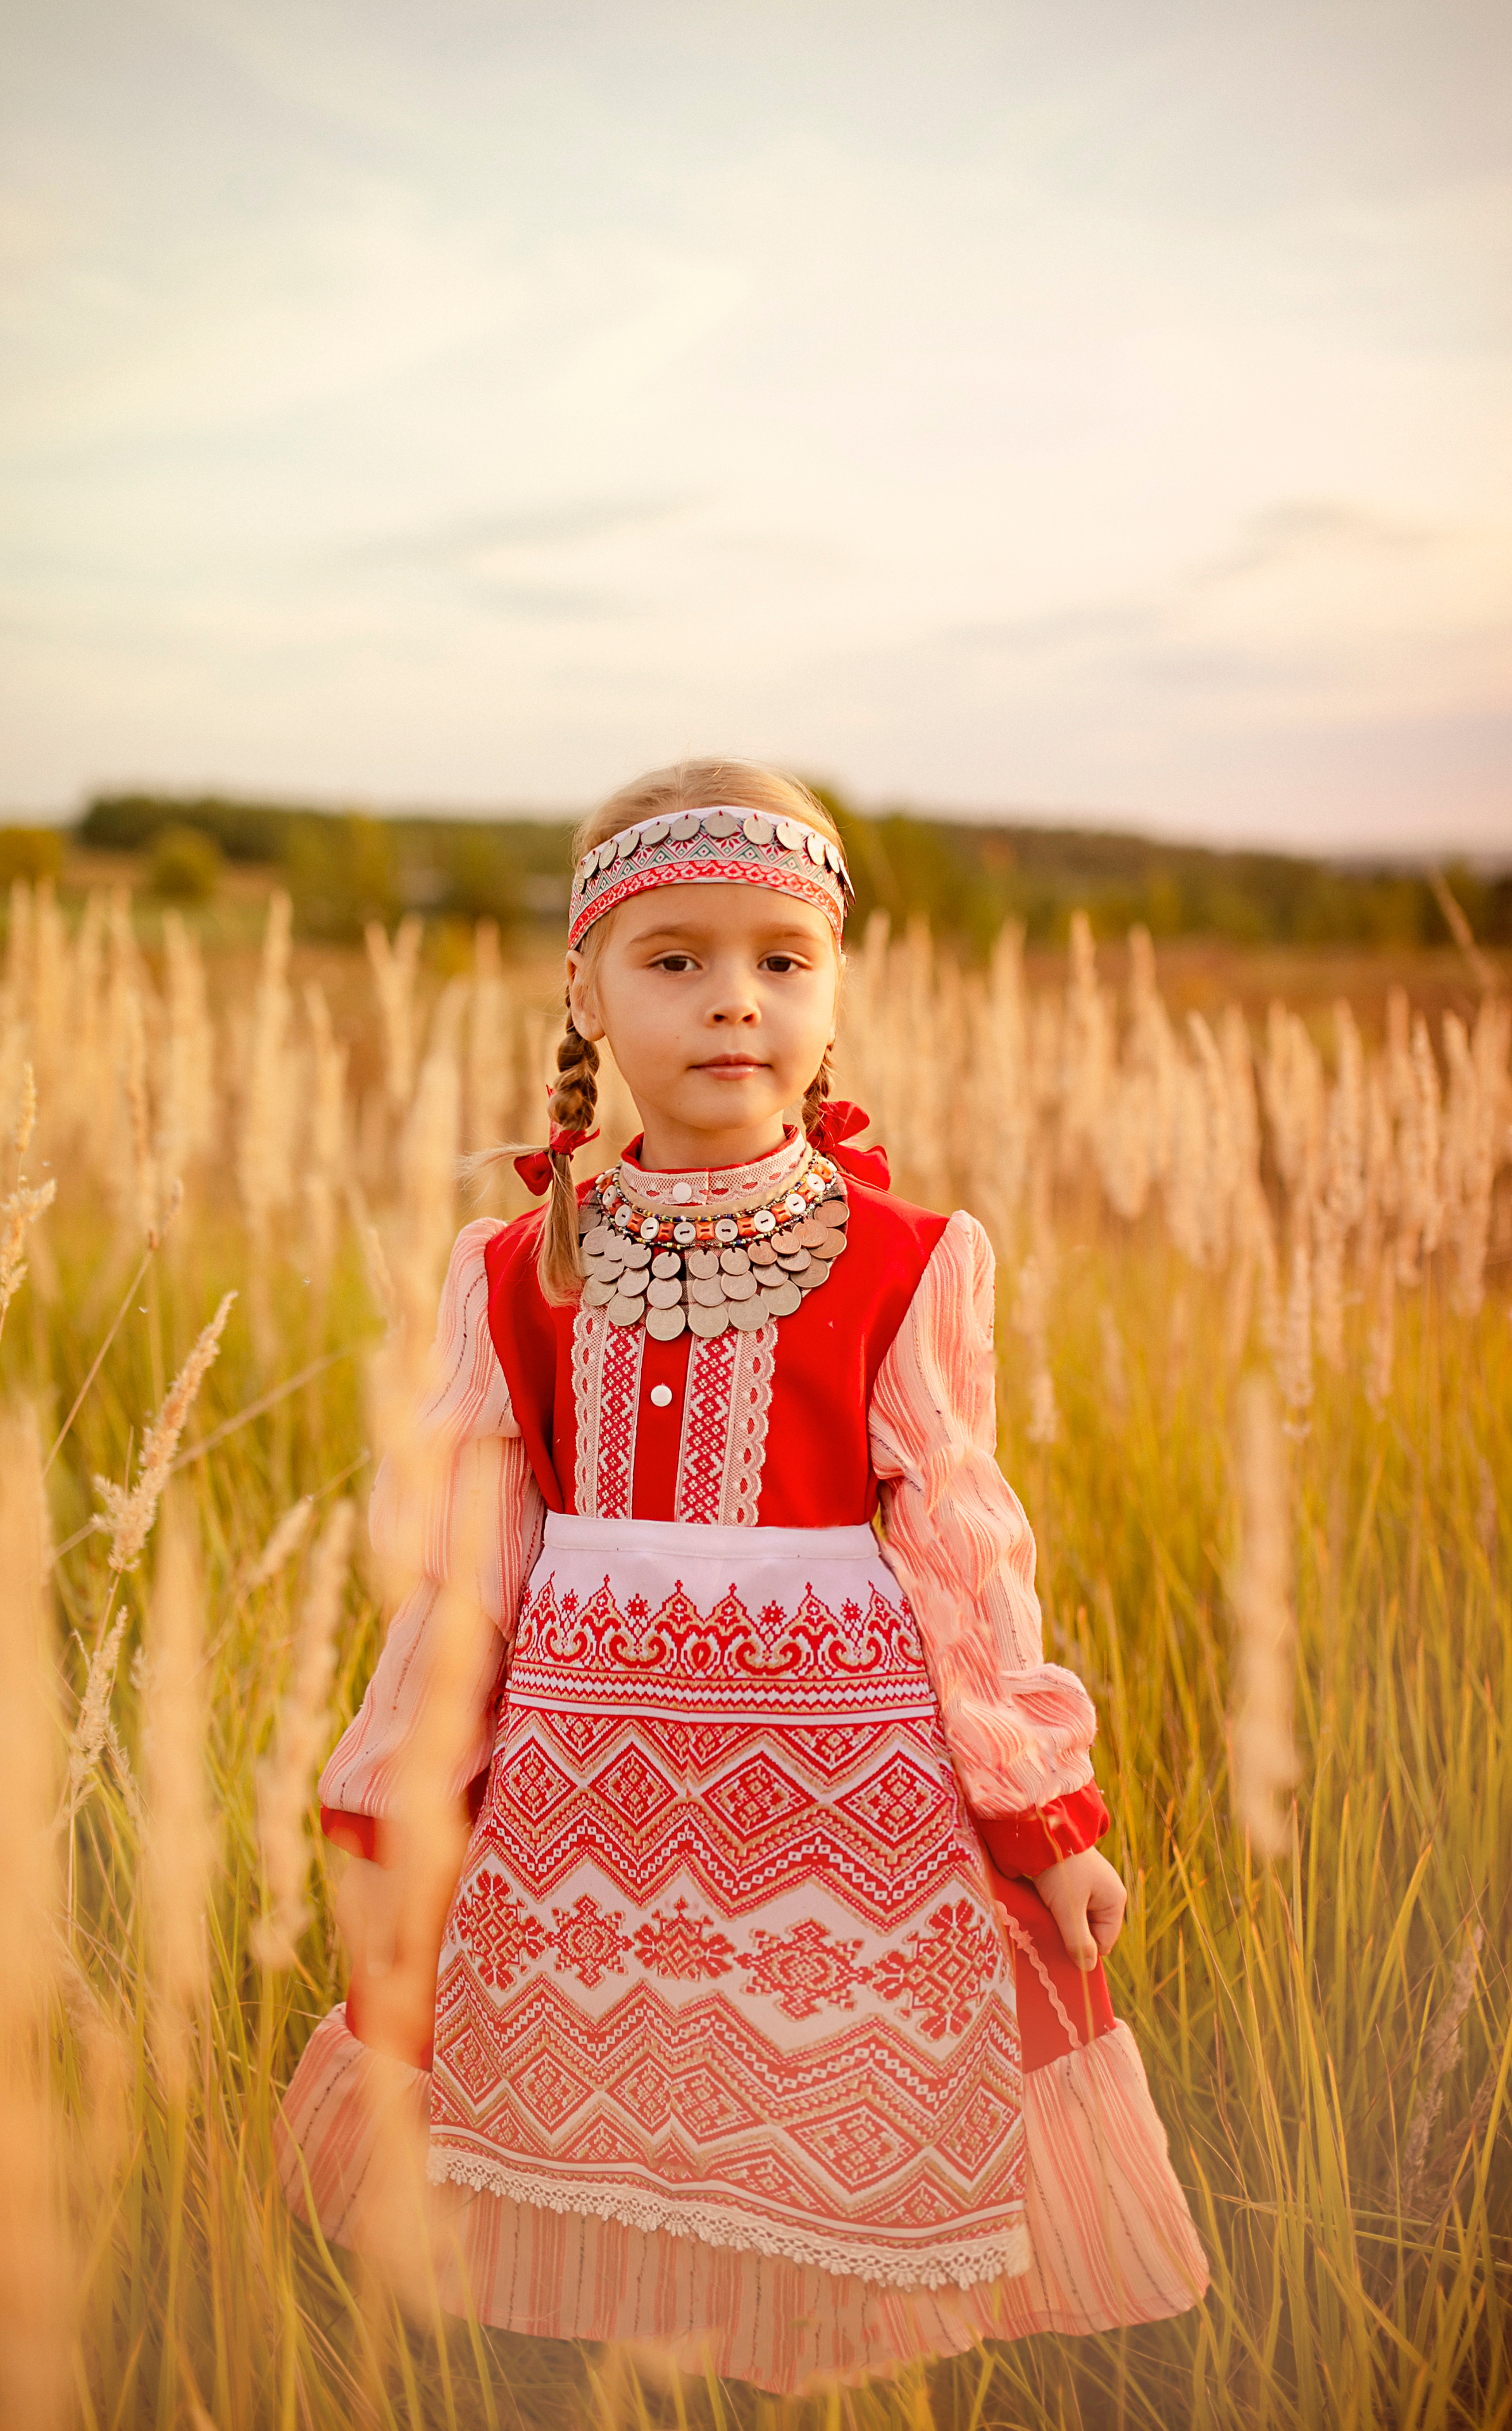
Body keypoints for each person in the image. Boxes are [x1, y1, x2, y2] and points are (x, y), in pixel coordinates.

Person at [277, 760, 1208, 2393]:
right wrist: (401, 1795)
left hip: (841, 1800)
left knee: (811, 2087)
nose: (733, 1000)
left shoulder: (910, 1257)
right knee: (606, 2081)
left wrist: (1042, 1819)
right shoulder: (516, 1268)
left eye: (782, 960)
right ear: (587, 991)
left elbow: (965, 1551)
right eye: (675, 959)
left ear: (833, 992)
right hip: (587, 1796)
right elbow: (465, 1575)